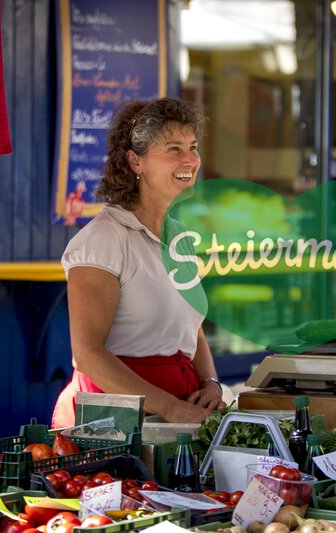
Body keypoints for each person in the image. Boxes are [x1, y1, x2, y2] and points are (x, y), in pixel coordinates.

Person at [52, 97, 226, 427]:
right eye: (174, 148)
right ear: (135, 161)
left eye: (193, 146)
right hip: (111, 424)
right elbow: (88, 354)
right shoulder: (103, 240)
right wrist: (171, 408)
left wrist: (211, 383)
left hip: (178, 419)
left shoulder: (180, 238)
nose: (190, 159)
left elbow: (191, 326)